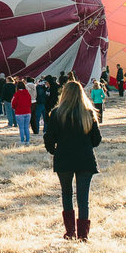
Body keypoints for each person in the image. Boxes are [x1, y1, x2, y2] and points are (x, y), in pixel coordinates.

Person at [44, 79, 102, 241]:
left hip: (64, 158)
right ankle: (83, 235)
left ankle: (70, 232)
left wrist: (54, 150)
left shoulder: (57, 113)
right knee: (83, 199)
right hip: (85, 159)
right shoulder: (88, 113)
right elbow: (96, 139)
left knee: (67, 194)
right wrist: (85, 145)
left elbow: (49, 138)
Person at [12, 79, 33, 145]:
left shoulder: (16, 94)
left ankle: (22, 140)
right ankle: (27, 141)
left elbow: (13, 103)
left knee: (21, 127)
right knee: (26, 127)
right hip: (27, 112)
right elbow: (30, 103)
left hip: (19, 112)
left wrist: (15, 108)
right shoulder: (27, 93)